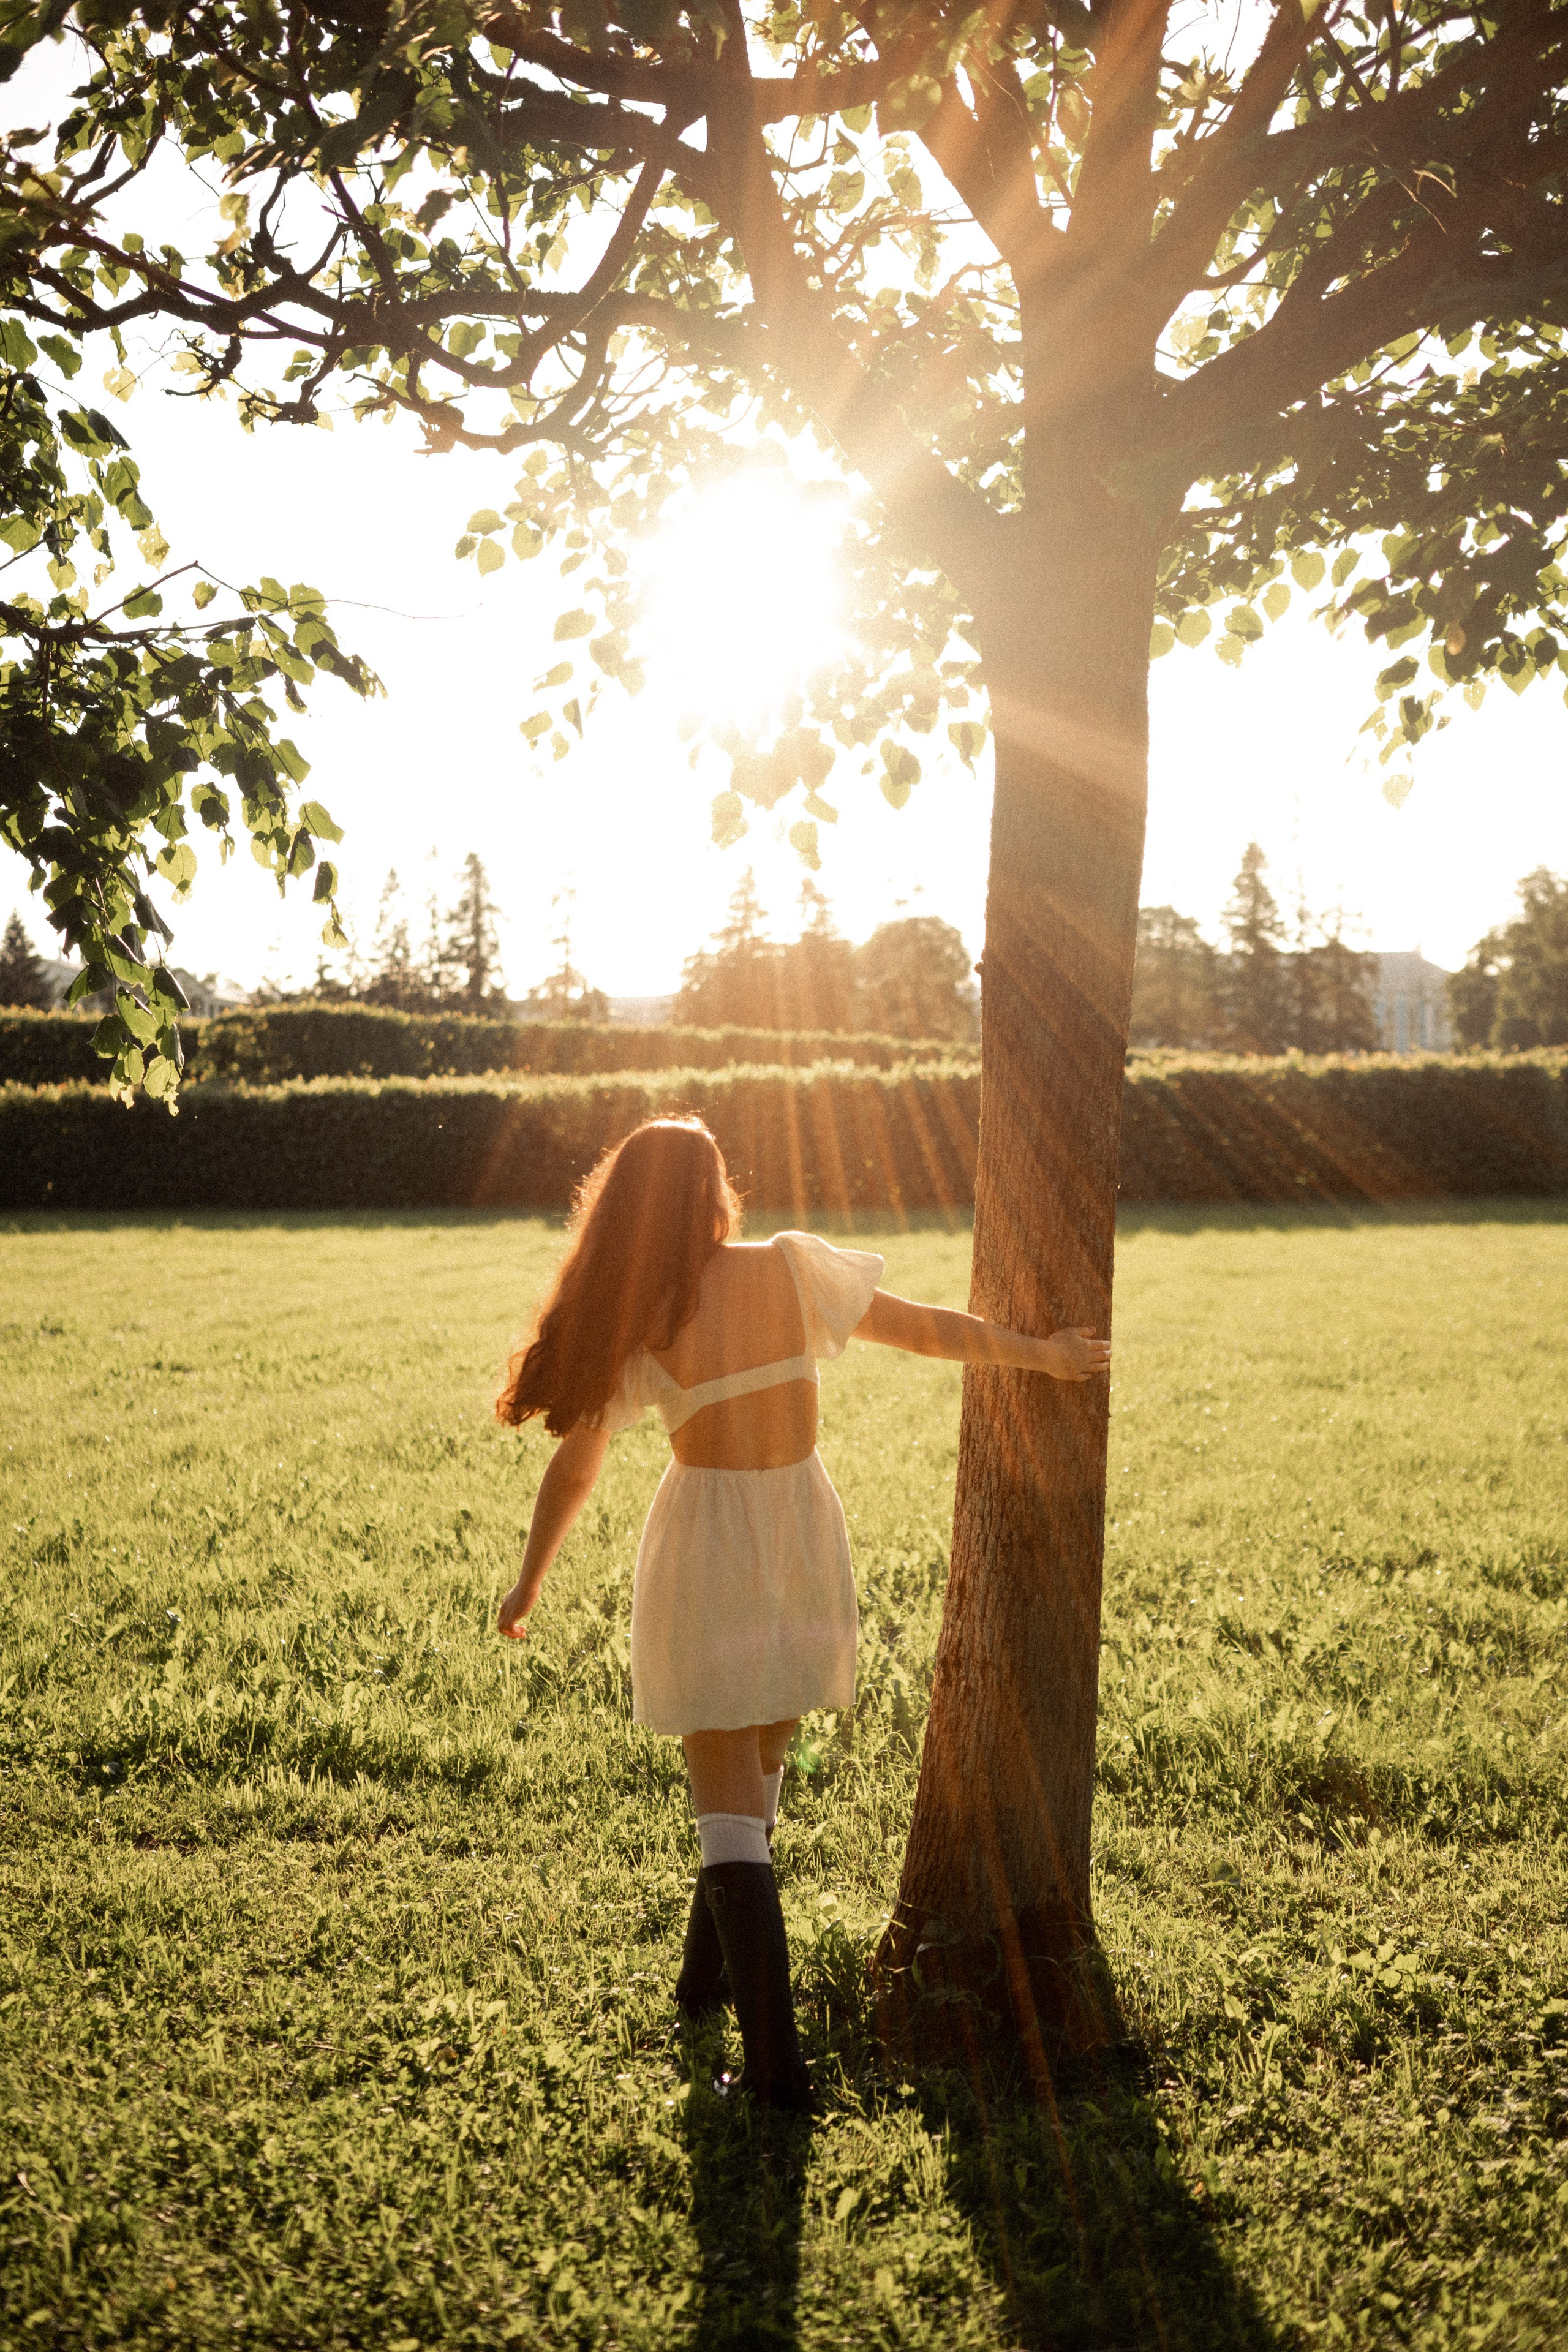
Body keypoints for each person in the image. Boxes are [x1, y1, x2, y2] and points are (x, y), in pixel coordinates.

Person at [494, 1117, 1110, 2110]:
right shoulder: (790, 1268)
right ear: (714, 1193)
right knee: (756, 1772)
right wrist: (1040, 1354)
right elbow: (921, 1327)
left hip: (709, 1544)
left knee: (728, 1802)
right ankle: (703, 1988)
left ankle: (778, 2079)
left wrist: (530, 1581)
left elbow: (579, 1461)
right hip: (801, 1535)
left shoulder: (640, 1315)